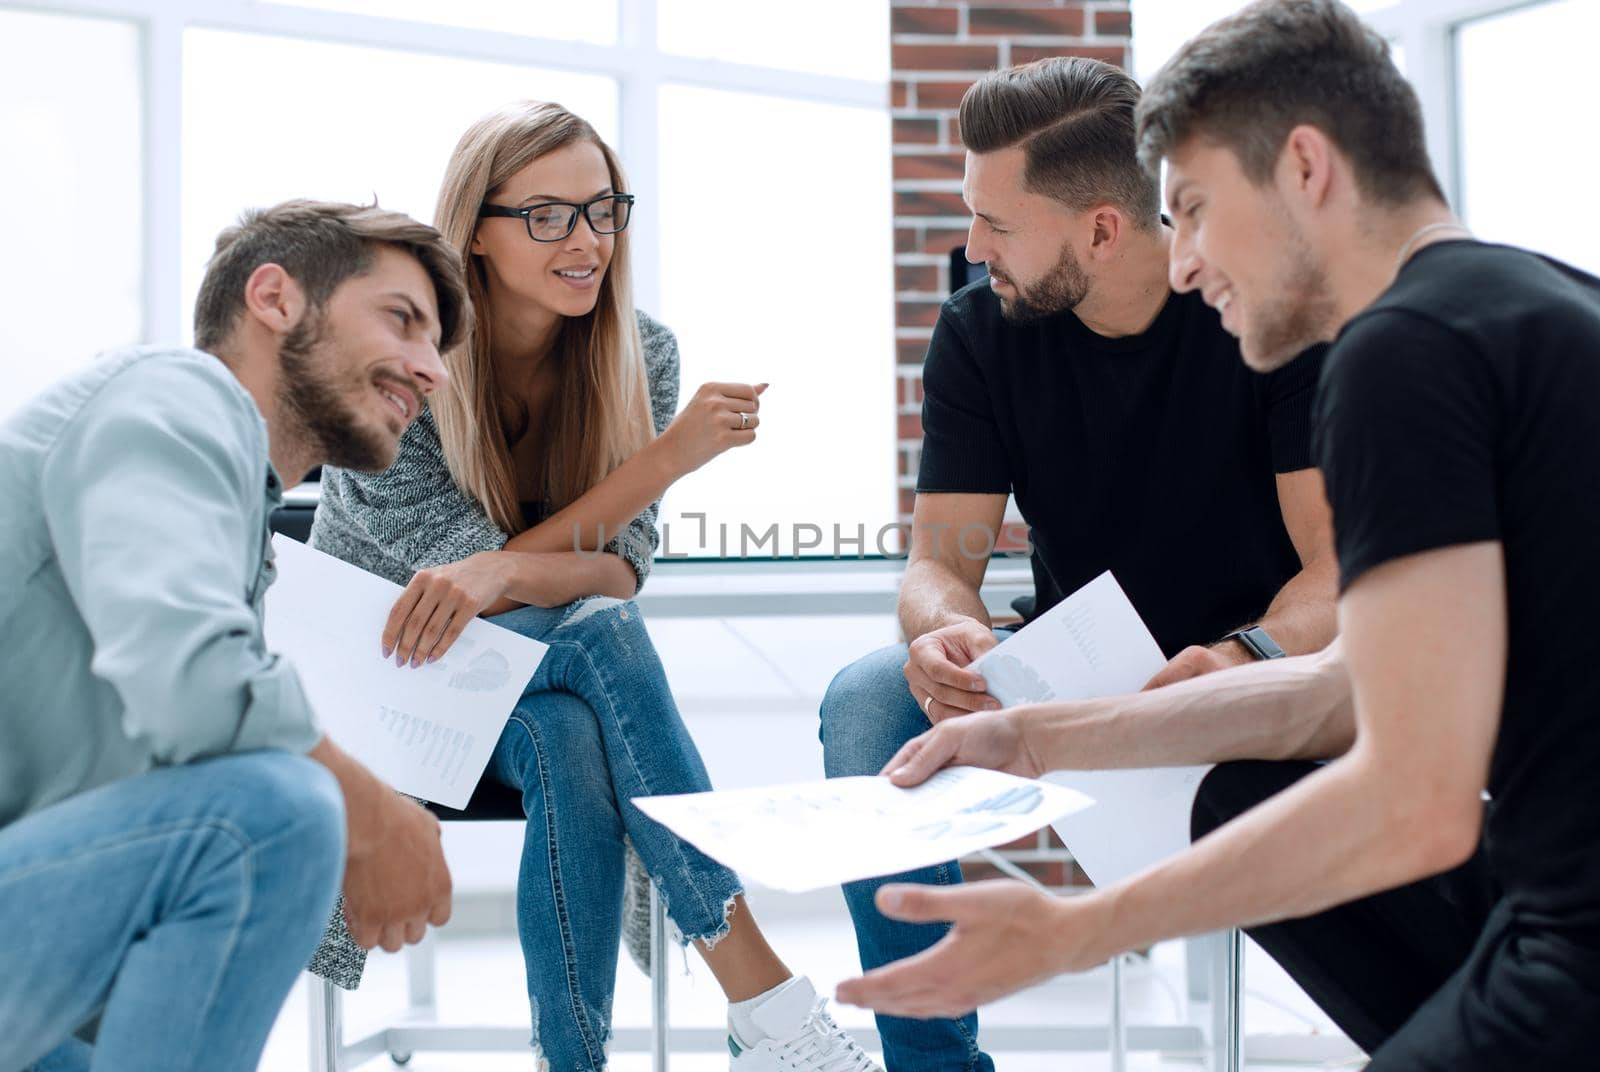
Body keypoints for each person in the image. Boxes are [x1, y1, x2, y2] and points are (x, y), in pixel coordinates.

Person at [836, 1, 1600, 1066]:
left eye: (1191, 207)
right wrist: (1033, 734)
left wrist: (1079, 929)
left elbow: (1407, 801)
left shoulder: (1397, 355)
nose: (1183, 258)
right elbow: (1347, 690)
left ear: (1302, 168)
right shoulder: (1536, 300)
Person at [308, 100, 878, 1072]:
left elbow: (618, 566)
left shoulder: (638, 352)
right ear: (474, 233)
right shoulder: (400, 364)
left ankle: (573, 1061)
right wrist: (663, 462)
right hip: (382, 677)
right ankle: (764, 999)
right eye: (547, 216)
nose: (587, 240)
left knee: (574, 730)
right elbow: (454, 594)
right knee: (604, 635)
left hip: (519, 687)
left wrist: (503, 566)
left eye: (604, 209)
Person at [817, 56, 1337, 1071]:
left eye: (995, 224)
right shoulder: (980, 332)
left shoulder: (1265, 314)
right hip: (1071, 665)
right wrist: (942, 630)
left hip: (1254, 665)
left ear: (1102, 227)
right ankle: (932, 1065)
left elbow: (1335, 571)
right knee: (867, 699)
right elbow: (937, 562)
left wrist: (1241, 657)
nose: (973, 248)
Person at [0, 200, 470, 1072]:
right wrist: (374, 816)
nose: (429, 371)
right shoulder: (179, 398)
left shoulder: (230, 517)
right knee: (276, 813)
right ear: (275, 298)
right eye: (402, 321)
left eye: (436, 348)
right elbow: (195, 689)